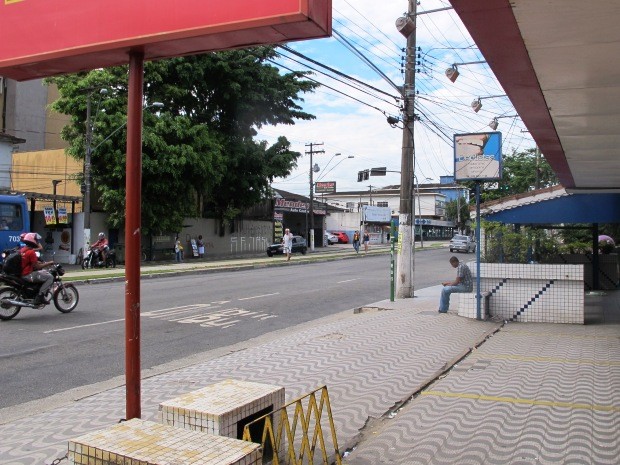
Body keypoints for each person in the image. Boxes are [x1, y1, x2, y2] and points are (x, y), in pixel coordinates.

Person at [20, 232, 54, 305]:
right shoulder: (31, 252)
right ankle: (40, 297)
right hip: (28, 274)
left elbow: (31, 263)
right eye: (35, 240)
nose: (37, 241)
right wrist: (49, 263)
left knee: (42, 273)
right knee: (50, 277)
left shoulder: (23, 250)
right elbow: (37, 267)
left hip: (22, 273)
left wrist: (40, 263)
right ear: (32, 241)